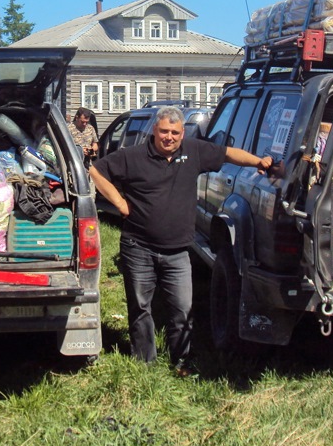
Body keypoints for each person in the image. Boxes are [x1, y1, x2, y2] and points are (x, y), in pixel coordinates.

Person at [90, 105, 278, 374]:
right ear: (155, 130)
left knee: (182, 309)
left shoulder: (194, 151)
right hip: (137, 247)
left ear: (182, 133)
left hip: (178, 252)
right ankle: (145, 365)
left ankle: (181, 362)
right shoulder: (132, 157)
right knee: (141, 308)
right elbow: (96, 171)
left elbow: (227, 154)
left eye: (175, 133)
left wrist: (259, 162)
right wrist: (119, 202)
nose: (170, 137)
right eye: (164, 131)